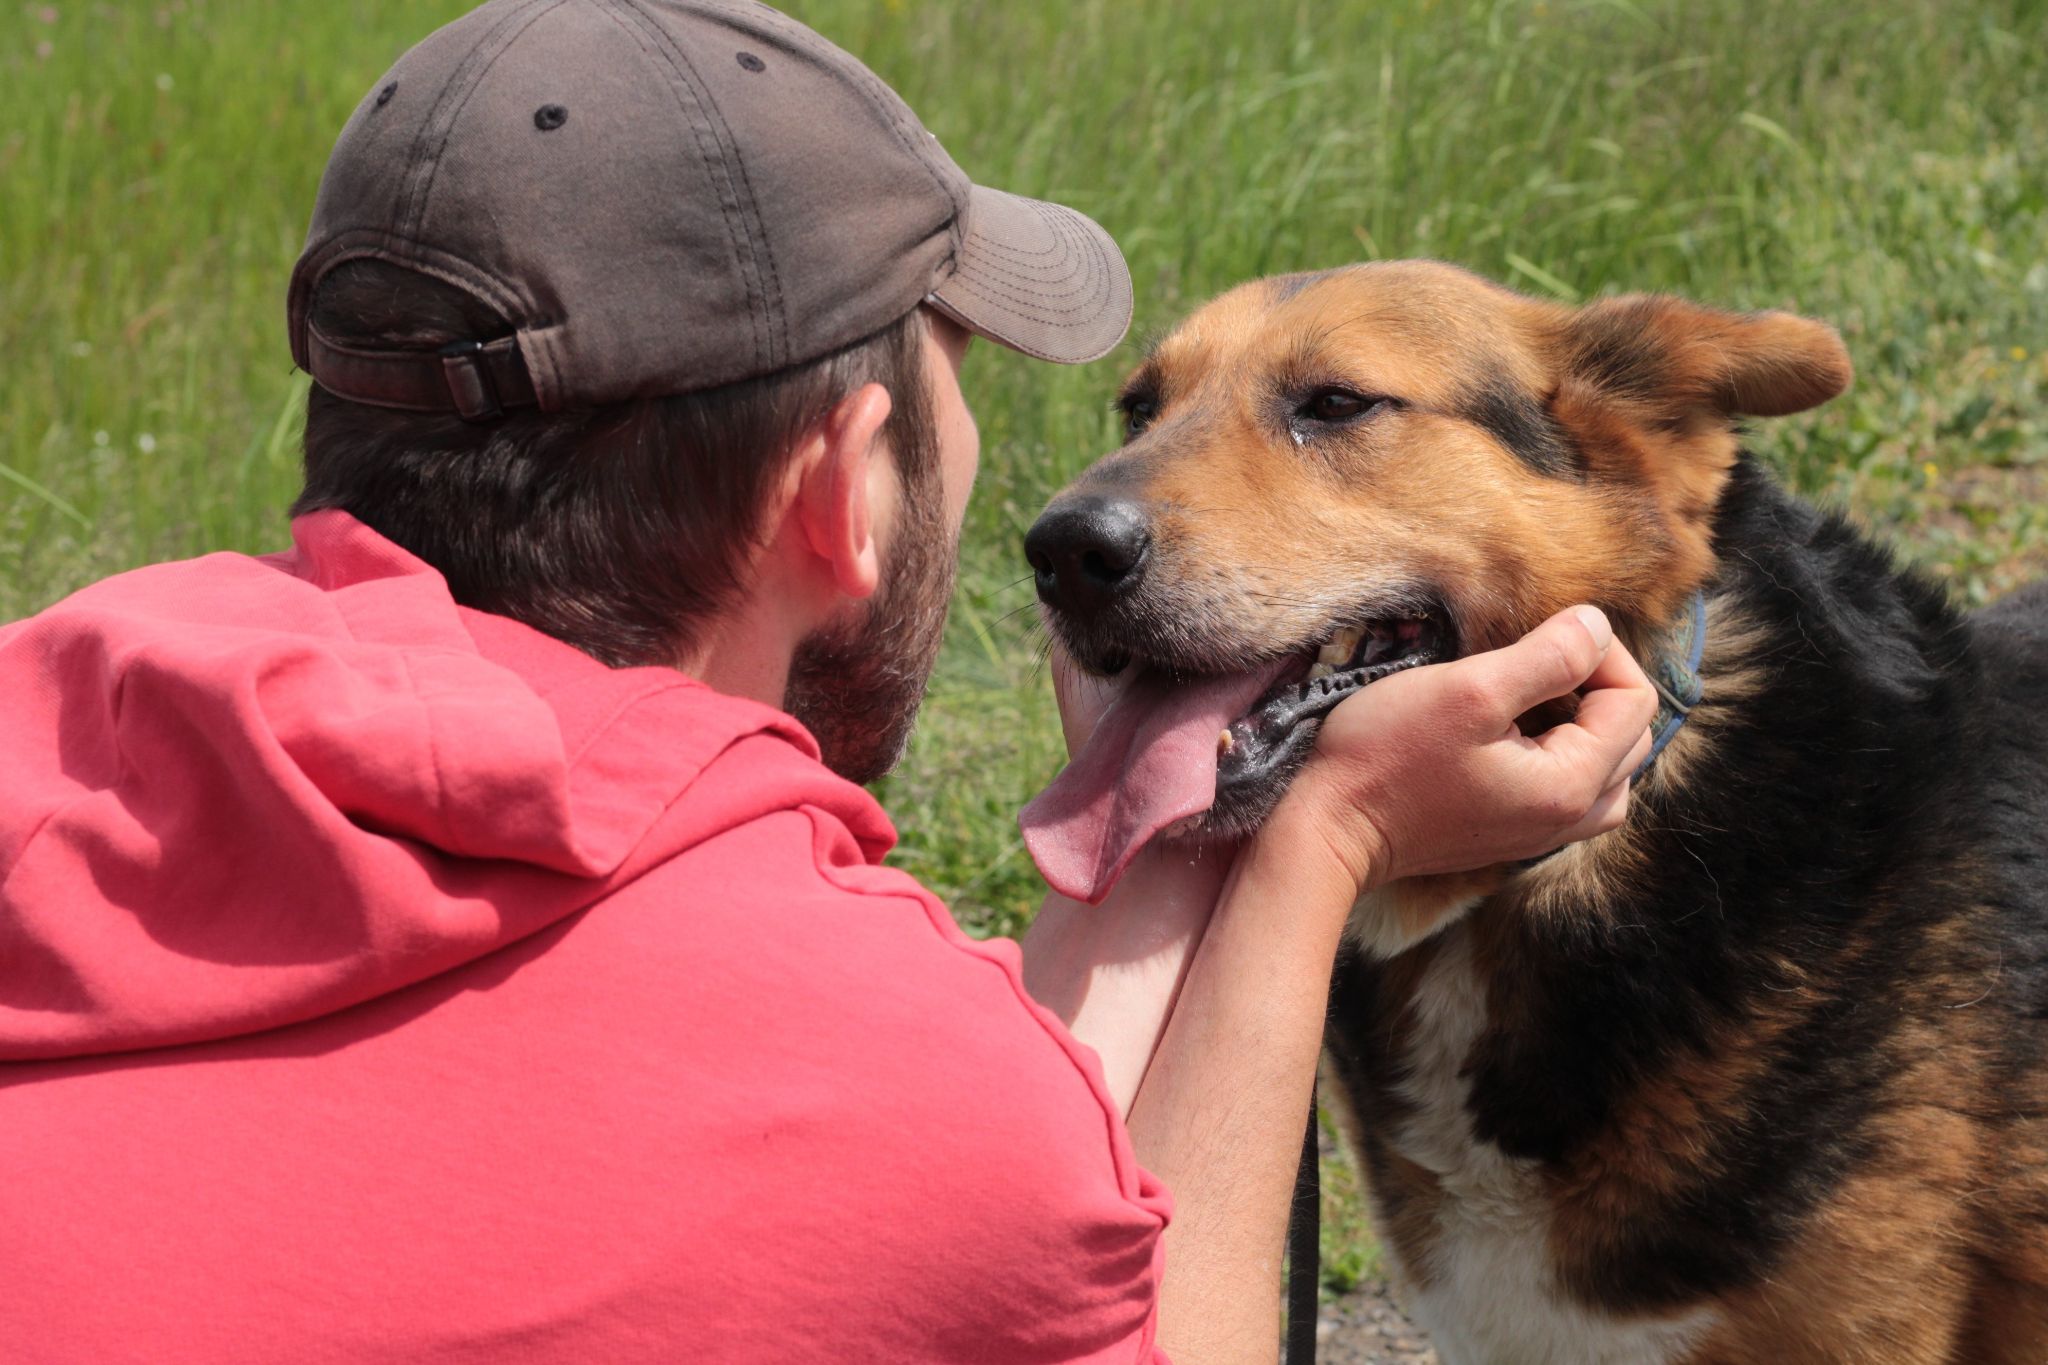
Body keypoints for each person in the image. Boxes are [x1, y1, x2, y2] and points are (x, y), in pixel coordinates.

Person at [0, 2, 1657, 1361]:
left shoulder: (56, 744)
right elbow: (1044, 1246)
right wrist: (1325, 835)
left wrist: (1168, 793)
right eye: (958, 373)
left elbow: (1030, 1176)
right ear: (841, 487)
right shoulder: (854, 1076)